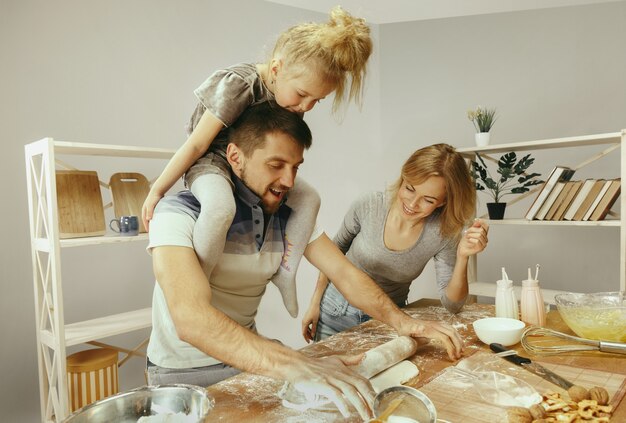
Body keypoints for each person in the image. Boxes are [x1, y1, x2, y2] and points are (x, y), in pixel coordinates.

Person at [146, 104, 463, 420]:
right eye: (276, 165)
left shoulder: (287, 218)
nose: (288, 180)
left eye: (295, 167)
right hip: (182, 376)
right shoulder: (176, 215)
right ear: (234, 157)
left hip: (250, 363)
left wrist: (403, 322)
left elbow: (344, 272)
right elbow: (190, 319)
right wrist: (294, 362)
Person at [141, 6, 373, 319]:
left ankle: (286, 273)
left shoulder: (289, 100)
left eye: (316, 101)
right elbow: (196, 143)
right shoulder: (240, 84)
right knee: (221, 207)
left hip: (248, 167)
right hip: (213, 159)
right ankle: (203, 284)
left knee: (310, 199)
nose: (306, 106)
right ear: (276, 69)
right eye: (303, 94)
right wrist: (158, 189)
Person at [302, 143, 490, 342]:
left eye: (428, 199)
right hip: (333, 313)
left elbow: (453, 305)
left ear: (443, 201)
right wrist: (314, 304)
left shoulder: (443, 233)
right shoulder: (370, 205)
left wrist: (463, 257)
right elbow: (332, 253)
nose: (412, 204)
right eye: (409, 188)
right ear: (403, 179)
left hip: (388, 322)